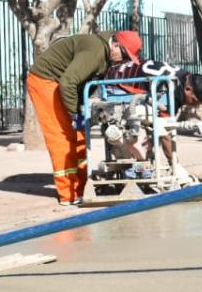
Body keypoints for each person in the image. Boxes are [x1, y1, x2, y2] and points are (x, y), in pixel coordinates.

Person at [26, 30, 142, 205]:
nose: (124, 61)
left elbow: (82, 83)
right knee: (61, 136)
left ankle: (81, 187)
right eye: (124, 55)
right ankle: (68, 195)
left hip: (64, 84)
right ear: (116, 45)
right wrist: (75, 114)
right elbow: (68, 82)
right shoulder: (95, 53)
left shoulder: (105, 54)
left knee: (80, 136)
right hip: (46, 80)